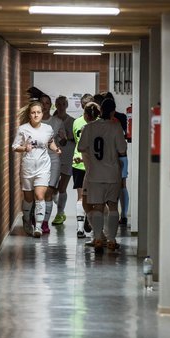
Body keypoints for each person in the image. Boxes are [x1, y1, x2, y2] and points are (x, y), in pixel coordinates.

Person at [78, 98, 127, 252]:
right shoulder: (115, 127)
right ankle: (111, 240)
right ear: (112, 111)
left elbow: (81, 147)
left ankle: (98, 238)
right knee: (113, 206)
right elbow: (122, 150)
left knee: (97, 207)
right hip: (112, 174)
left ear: (100, 111)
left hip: (94, 174)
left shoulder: (89, 127)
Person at [12, 101, 61, 238]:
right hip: (28, 168)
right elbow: (15, 147)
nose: (36, 115)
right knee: (28, 199)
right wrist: (24, 148)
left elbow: (50, 142)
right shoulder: (23, 129)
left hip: (43, 167)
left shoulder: (48, 128)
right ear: (29, 114)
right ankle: (27, 220)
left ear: (42, 113)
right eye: (33, 112)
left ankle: (38, 227)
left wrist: (56, 149)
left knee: (40, 196)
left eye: (38, 112)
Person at [40, 94, 67, 234]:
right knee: (39, 193)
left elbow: (63, 142)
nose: (44, 106)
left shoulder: (57, 121)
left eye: (47, 103)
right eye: (42, 103)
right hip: (37, 160)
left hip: (53, 159)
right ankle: (36, 219)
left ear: (50, 106)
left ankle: (45, 223)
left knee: (49, 191)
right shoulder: (33, 121)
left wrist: (63, 139)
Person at [102, 91, 129, 226]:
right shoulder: (122, 117)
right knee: (121, 185)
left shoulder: (99, 122)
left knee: (110, 186)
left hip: (108, 157)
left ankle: (119, 214)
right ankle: (122, 214)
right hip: (120, 155)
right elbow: (125, 139)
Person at [72, 93, 94, 238]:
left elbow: (76, 140)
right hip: (92, 164)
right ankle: (87, 221)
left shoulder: (76, 122)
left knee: (81, 196)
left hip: (78, 161)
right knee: (92, 197)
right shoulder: (99, 123)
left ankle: (80, 228)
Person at [51, 96, 75, 225]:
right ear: (55, 105)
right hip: (54, 158)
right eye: (58, 104)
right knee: (52, 188)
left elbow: (77, 139)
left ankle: (60, 213)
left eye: (63, 104)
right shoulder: (52, 121)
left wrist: (68, 137)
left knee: (62, 187)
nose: (60, 106)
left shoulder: (72, 121)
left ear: (66, 105)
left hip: (68, 157)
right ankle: (60, 208)